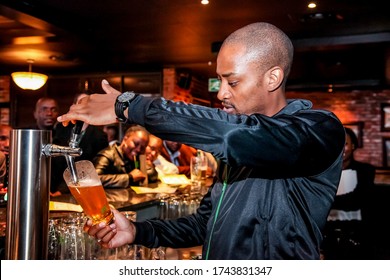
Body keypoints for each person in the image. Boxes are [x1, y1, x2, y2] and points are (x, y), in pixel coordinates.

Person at [58, 22, 345, 259]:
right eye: (219, 81)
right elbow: (204, 224)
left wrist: (130, 106)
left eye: (232, 82)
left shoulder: (318, 129)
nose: (221, 93)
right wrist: (138, 232)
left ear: (272, 78)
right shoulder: (235, 154)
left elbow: (239, 135)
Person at [321, 127, 376, 259]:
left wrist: (324, 201)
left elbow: (357, 200)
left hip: (358, 233)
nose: (340, 148)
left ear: (353, 146)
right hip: (328, 235)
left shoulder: (366, 170)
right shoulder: (322, 172)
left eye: (345, 144)